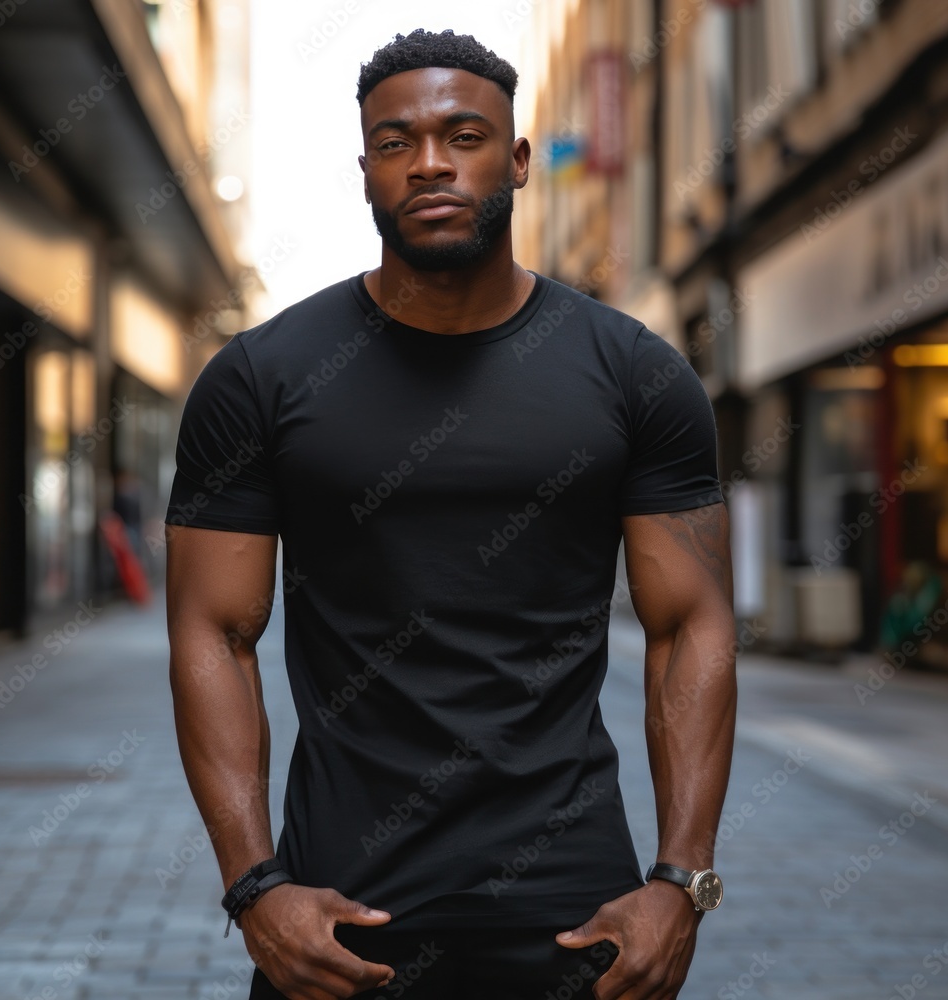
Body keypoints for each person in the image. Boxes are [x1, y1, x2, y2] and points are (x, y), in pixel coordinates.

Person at [164, 28, 736, 1000]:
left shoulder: (635, 373)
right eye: (395, 142)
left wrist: (680, 881)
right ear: (365, 171)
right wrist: (254, 885)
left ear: (516, 158)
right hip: (339, 918)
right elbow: (214, 629)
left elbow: (690, 623)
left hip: (575, 920)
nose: (428, 160)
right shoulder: (263, 377)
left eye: (461, 134)